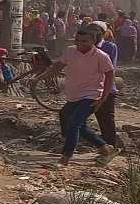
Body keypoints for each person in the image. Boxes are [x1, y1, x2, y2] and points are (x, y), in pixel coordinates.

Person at [33, 25, 118, 166]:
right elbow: (57, 67)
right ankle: (105, 147)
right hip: (74, 95)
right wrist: (38, 78)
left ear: (93, 41)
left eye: (84, 41)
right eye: (77, 40)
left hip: (92, 95)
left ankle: (66, 156)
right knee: (76, 124)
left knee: (74, 122)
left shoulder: (101, 56)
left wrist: (103, 98)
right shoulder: (70, 51)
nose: (80, 44)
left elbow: (110, 76)